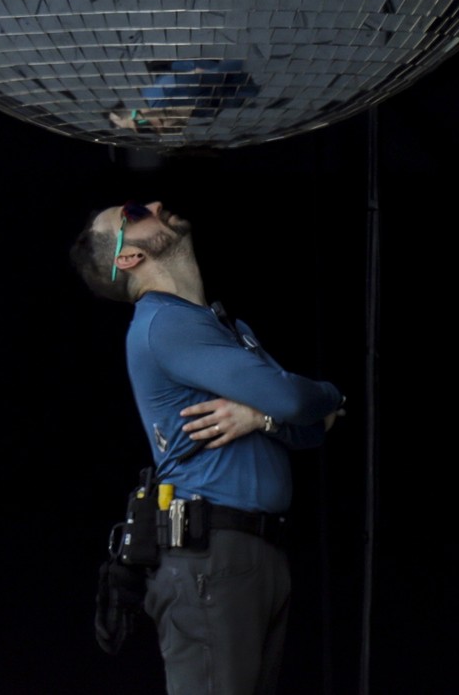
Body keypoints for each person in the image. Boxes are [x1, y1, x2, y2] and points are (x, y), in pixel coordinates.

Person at [69, 199, 344, 695]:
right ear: (129, 259)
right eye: (134, 212)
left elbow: (308, 428)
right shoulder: (164, 326)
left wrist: (260, 417)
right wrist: (323, 397)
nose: (153, 203)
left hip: (251, 556)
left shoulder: (220, 327)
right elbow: (296, 399)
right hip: (211, 559)